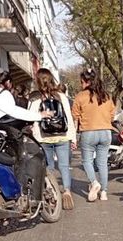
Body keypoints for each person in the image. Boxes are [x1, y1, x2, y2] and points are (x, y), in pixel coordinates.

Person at [29, 68, 77, 210]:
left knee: (49, 167)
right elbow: (68, 117)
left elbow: (31, 118)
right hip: (62, 136)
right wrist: (73, 138)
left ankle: (52, 192)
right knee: (64, 166)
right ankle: (67, 191)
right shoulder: (61, 96)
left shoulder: (35, 98)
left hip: (43, 138)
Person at [71, 68, 115, 202]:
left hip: (88, 132)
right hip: (106, 132)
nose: (80, 85)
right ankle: (104, 193)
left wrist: (74, 137)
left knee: (87, 161)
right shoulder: (106, 96)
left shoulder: (80, 96)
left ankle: (94, 182)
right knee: (102, 163)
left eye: (81, 82)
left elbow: (75, 118)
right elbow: (112, 115)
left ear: (85, 81)